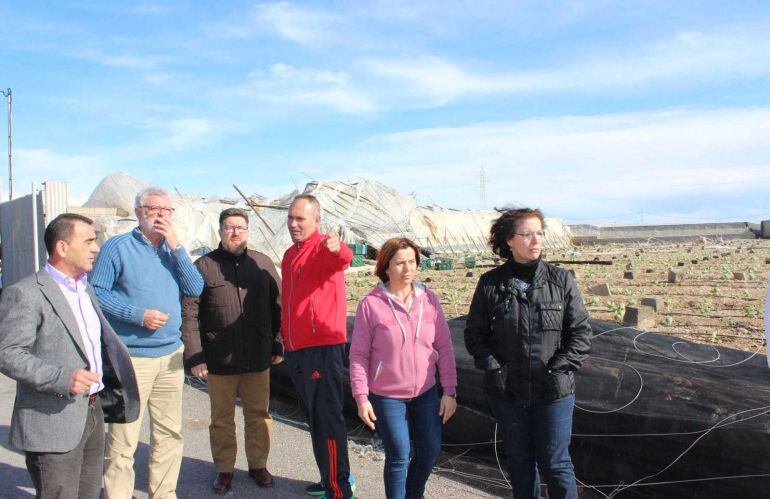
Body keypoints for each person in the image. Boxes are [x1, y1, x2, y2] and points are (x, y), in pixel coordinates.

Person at [0, 213, 140, 499]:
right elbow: (8, 353)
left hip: (91, 411)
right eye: (88, 241)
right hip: (51, 420)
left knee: (88, 493)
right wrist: (62, 378)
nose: (96, 247)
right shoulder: (25, 293)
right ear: (62, 248)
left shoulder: (85, 288)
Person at [464, 208, 591, 499]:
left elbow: (581, 334)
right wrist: (494, 368)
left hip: (554, 393)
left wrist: (559, 368)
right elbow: (475, 335)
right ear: (510, 240)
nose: (536, 240)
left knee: (556, 464)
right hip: (509, 393)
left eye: (539, 233)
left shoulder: (561, 281)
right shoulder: (491, 284)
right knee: (521, 464)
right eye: (527, 234)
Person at [91, 187, 204, 499]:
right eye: (154, 208)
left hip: (170, 356)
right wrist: (137, 315)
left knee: (169, 433)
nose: (161, 215)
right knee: (123, 436)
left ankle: (164, 493)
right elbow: (96, 292)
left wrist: (178, 248)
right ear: (138, 211)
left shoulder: (173, 251)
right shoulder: (117, 247)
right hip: (130, 357)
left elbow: (195, 287)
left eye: (167, 210)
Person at [182, 208, 282, 493]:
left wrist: (277, 344)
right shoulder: (203, 266)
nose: (235, 232)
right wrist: (196, 355)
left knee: (259, 415)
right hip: (219, 358)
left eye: (240, 227)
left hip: (257, 357)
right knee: (221, 418)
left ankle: (258, 466)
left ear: (248, 231)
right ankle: (224, 470)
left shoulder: (262, 264)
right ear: (221, 231)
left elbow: (278, 307)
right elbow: (189, 314)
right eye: (229, 227)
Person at [349, 237, 457, 499]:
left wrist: (449, 391)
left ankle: (414, 494)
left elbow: (444, 346)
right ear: (386, 267)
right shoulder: (371, 304)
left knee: (430, 450)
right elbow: (359, 355)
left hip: (425, 392)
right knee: (398, 454)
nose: (407, 269)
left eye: (412, 262)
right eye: (399, 263)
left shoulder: (429, 300)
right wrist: (361, 398)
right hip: (387, 396)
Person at [282, 194, 356, 499]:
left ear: (316, 220)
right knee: (315, 416)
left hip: (322, 347)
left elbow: (343, 258)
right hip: (297, 348)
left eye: (301, 218)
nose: (295, 224)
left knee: (327, 417)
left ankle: (339, 490)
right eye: (291, 218)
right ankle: (332, 478)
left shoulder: (322, 247)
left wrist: (338, 247)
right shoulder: (290, 254)